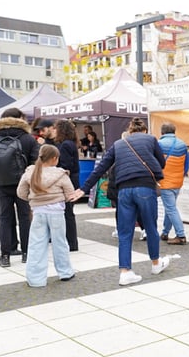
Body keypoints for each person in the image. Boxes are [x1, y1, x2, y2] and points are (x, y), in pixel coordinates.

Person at [69, 117, 167, 286]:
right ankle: (156, 264)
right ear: (144, 130)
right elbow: (161, 163)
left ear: (129, 132)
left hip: (124, 191)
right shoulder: (151, 139)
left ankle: (125, 272)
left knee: (124, 232)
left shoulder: (119, 144)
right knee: (150, 227)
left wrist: (83, 189)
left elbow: (101, 168)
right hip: (145, 187)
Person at [0, 107, 39, 268]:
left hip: (2, 184)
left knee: (5, 219)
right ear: (20, 119)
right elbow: (36, 161)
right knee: (24, 218)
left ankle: (5, 256)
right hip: (24, 184)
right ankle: (26, 253)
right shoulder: (27, 138)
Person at [18, 144, 76, 287]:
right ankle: (65, 272)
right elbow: (70, 194)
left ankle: (35, 279)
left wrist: (34, 199)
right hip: (56, 212)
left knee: (36, 244)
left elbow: (20, 193)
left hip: (38, 212)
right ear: (55, 158)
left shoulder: (30, 173)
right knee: (60, 243)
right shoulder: (61, 174)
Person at [157, 122, 188, 245]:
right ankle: (165, 232)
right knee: (170, 208)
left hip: (165, 181)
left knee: (170, 208)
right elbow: (186, 165)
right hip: (178, 181)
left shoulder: (159, 144)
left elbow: (156, 163)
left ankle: (181, 235)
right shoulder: (182, 144)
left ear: (162, 132)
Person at [53, 119, 80, 251]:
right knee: (68, 212)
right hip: (73, 180)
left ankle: (71, 242)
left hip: (68, 182)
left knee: (67, 212)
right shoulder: (71, 143)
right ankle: (71, 242)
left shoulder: (65, 145)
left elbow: (66, 166)